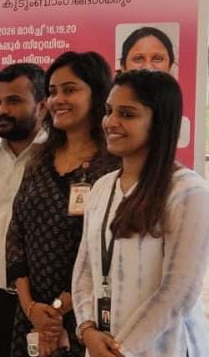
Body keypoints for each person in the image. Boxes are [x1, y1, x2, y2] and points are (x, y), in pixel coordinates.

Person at [72, 69, 209, 357]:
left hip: (164, 349)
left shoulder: (187, 191)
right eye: (109, 111)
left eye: (127, 114)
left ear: (159, 122)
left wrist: (122, 349)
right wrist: (87, 330)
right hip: (102, 346)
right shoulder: (102, 187)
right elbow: (85, 270)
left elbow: (178, 292)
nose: (111, 122)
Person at [5, 51, 120, 357]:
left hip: (89, 316)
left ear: (98, 95)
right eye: (52, 92)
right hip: (33, 316)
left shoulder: (115, 164)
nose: (58, 100)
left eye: (70, 90)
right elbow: (16, 233)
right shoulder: (38, 159)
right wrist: (31, 307)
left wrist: (58, 310)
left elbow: (114, 246)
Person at [0, 63, 47, 357]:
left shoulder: (58, 157)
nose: (2, 110)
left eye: (14, 101)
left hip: (48, 302)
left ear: (42, 106)